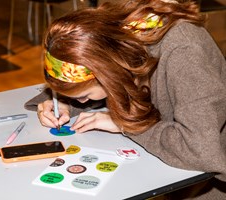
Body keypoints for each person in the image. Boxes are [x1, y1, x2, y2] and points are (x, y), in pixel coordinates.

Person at [35, 0, 226, 199]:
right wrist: (64, 101)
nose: (81, 102)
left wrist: (126, 124)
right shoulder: (115, 32)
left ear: (107, 74)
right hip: (168, 174)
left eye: (84, 97)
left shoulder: (186, 52)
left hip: (209, 186)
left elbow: (199, 150)